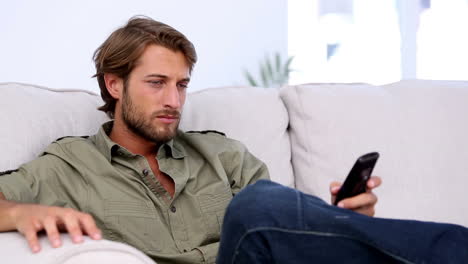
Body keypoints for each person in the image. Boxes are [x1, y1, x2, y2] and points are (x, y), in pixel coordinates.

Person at [0, 16, 466, 264]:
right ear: (114, 85)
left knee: (264, 204)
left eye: (182, 85)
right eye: (157, 82)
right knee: (258, 205)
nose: (174, 100)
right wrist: (20, 211)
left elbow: (281, 237)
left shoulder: (221, 153)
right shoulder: (69, 164)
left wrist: (341, 223)